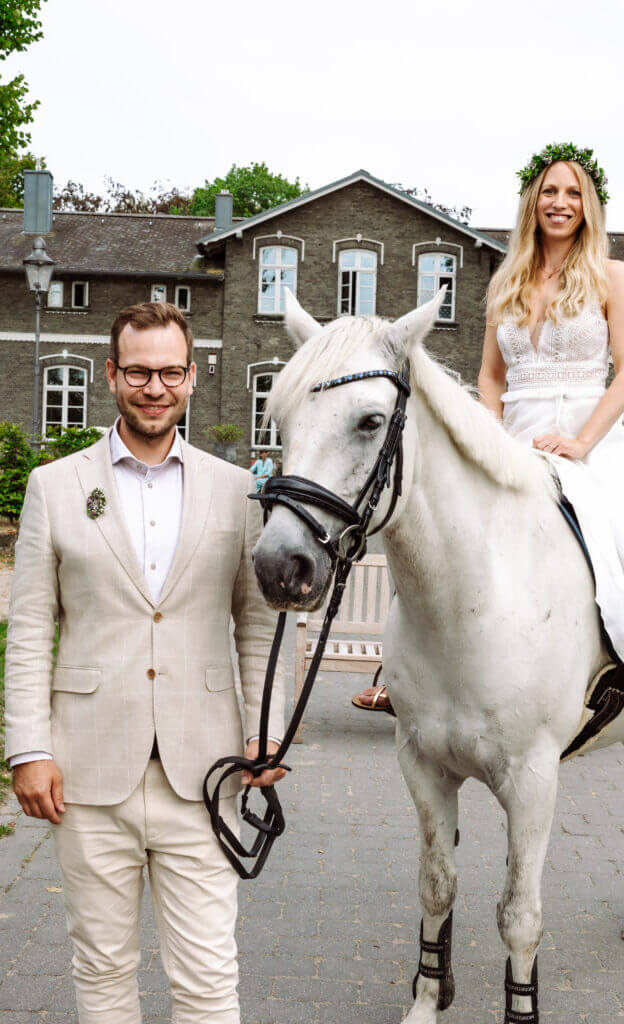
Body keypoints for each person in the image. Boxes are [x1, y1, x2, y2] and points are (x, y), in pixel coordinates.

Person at [5, 301, 286, 1024]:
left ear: (192, 378)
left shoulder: (237, 490)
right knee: (100, 968)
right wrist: (27, 749)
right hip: (86, 772)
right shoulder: (56, 486)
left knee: (207, 976)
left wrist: (267, 731)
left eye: (168, 372)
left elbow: (257, 625)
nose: (153, 387)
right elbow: (33, 627)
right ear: (111, 375)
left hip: (206, 770)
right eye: (137, 371)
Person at [477, 143, 624, 762]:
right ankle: (402, 675)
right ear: (531, 203)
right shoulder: (505, 278)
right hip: (516, 437)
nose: (559, 203)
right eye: (549, 192)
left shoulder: (610, 275)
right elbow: (490, 377)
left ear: (587, 206)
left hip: (589, 435)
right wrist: (491, 438)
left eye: (572, 194)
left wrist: (582, 442)